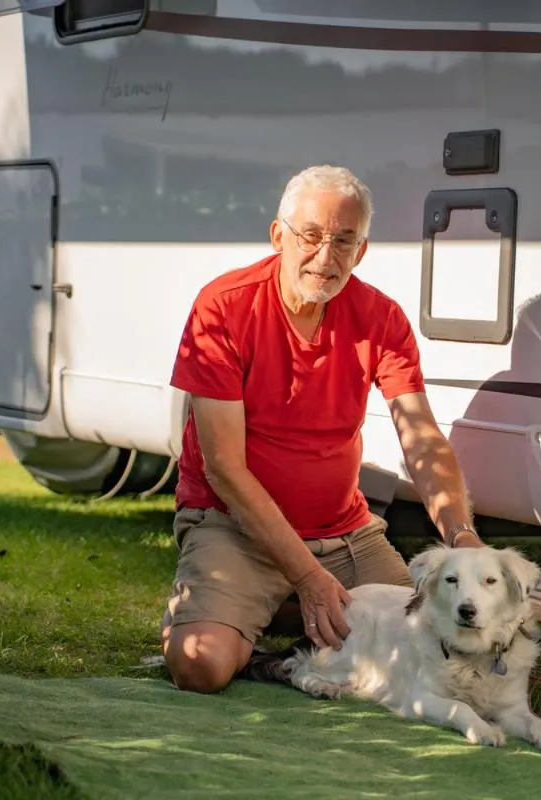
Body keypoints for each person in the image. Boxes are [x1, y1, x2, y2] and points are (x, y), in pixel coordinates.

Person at [161, 164, 485, 694]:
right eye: (310, 236)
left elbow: (421, 438)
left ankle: (277, 611)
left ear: (361, 251)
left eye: (343, 241)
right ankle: (258, 606)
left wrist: (461, 534)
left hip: (344, 533)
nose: (325, 256)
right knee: (201, 666)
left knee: (430, 639)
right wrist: (308, 578)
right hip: (234, 527)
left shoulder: (382, 317)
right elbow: (222, 467)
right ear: (278, 236)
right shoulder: (223, 306)